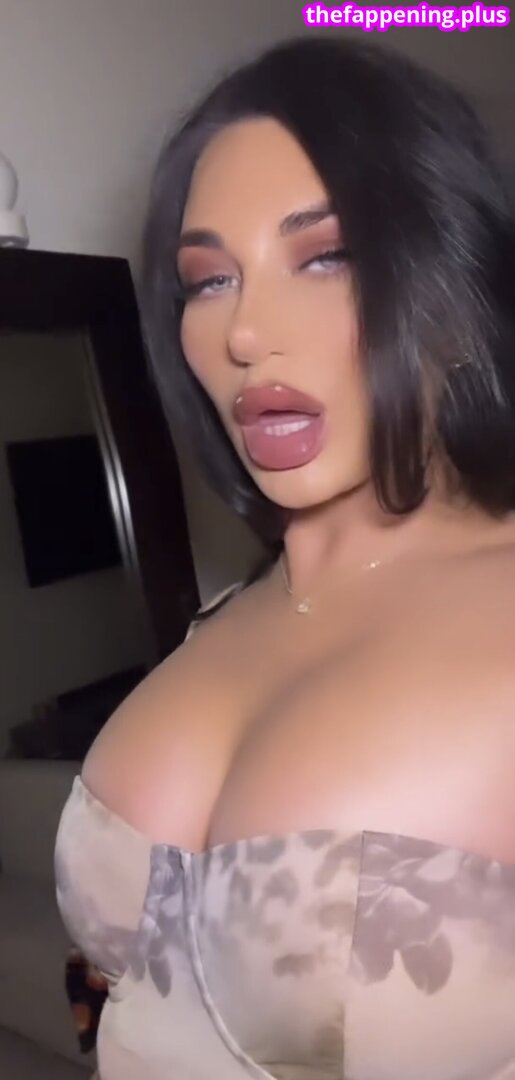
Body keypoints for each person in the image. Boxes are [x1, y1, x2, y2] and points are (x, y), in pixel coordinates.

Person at [54, 35, 515, 1080]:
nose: (246, 333)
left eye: (325, 256)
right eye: (208, 281)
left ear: (455, 271)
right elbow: (113, 999)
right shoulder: (218, 624)